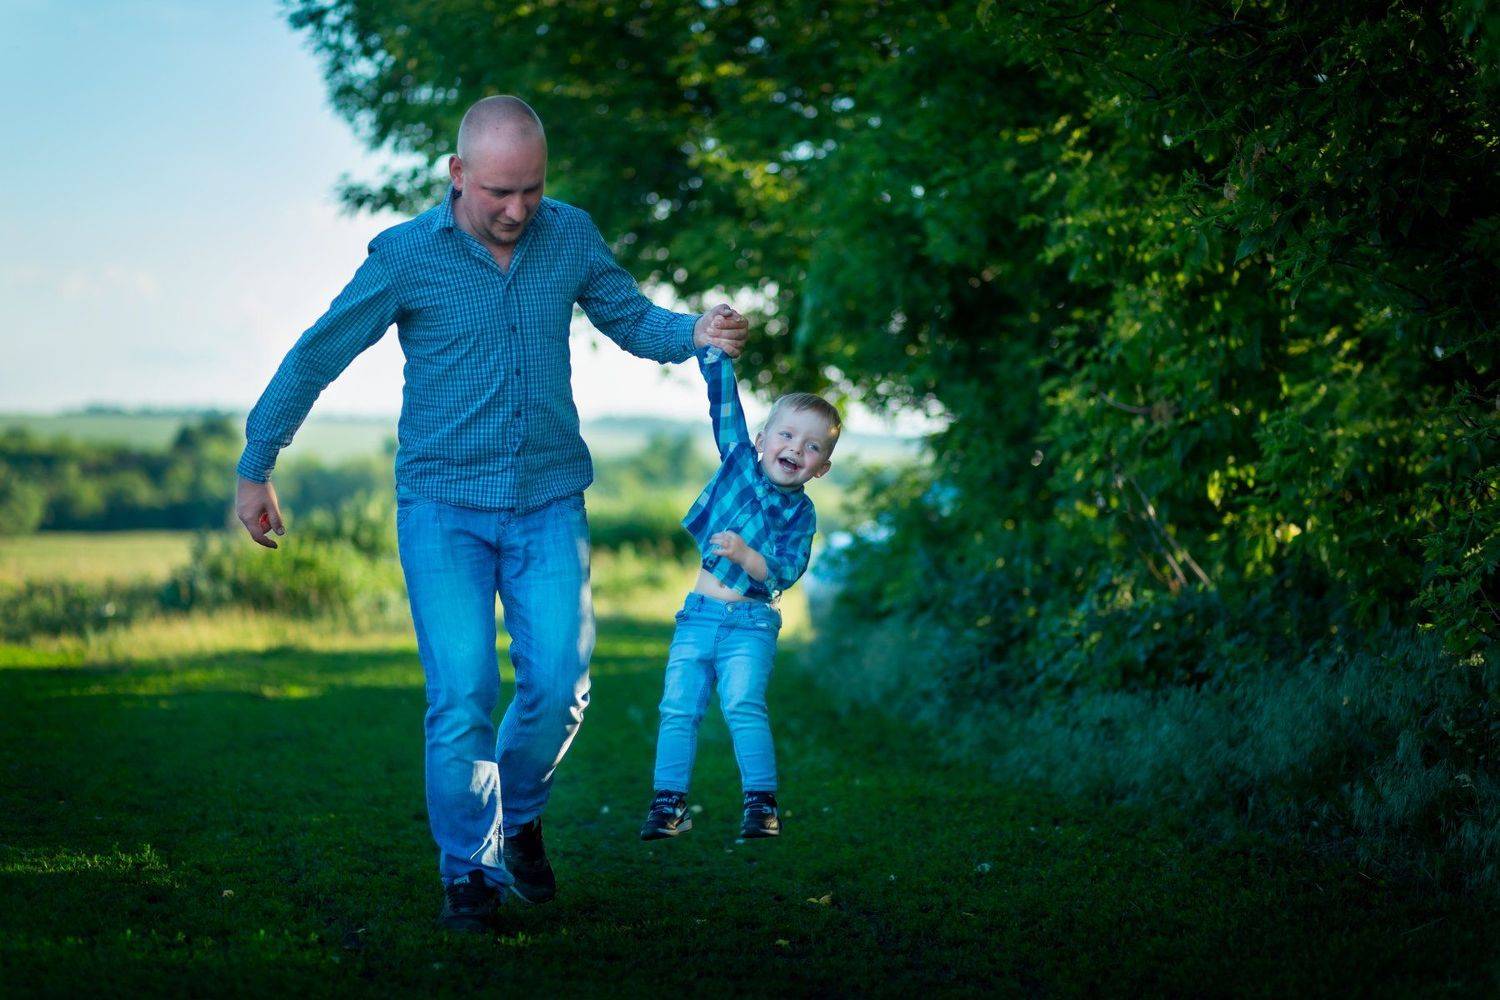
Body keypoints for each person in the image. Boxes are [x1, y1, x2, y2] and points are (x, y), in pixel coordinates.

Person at [233, 95, 749, 933]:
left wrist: (696, 329)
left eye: (531, 190)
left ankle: (520, 815)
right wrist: (257, 465)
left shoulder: (569, 235)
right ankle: (469, 874)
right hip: (442, 510)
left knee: (561, 688)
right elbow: (318, 354)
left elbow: (631, 319)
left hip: (548, 502)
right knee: (463, 694)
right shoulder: (405, 256)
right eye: (500, 192)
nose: (517, 210)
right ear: (457, 173)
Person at [638, 346, 840, 842]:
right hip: (698, 616)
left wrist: (748, 556)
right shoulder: (739, 464)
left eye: (812, 446)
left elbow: (786, 571)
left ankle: (761, 804)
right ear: (761, 440)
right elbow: (724, 406)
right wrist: (714, 352)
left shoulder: (802, 514)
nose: (796, 449)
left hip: (751, 625)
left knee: (744, 706)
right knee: (677, 709)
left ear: (822, 467)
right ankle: (669, 804)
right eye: (786, 435)